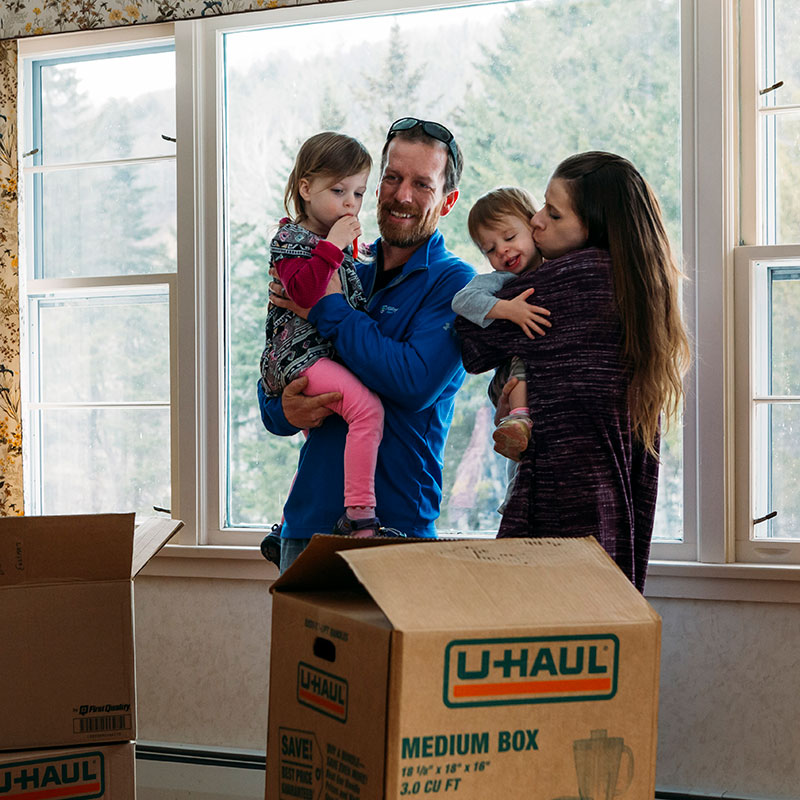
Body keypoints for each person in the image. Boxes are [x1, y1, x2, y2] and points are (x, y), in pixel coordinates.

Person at [455, 152, 690, 592]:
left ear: (595, 225)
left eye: (553, 212)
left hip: (564, 493)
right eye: (542, 206)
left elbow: (470, 342)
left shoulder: (576, 277)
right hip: (616, 487)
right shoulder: (640, 280)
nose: (537, 221)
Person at [259, 118, 475, 572]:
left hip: (395, 533)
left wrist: (326, 308)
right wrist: (285, 411)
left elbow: (412, 382)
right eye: (392, 179)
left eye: (422, 184)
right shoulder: (341, 263)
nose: (402, 195)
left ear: (448, 201)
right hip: (307, 527)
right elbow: (281, 364)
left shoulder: (455, 285)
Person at [260, 131, 392, 540]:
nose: (350, 202)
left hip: (315, 354)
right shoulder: (292, 240)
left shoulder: (331, 242)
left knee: (325, 433)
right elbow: (304, 293)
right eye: (338, 190)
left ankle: (311, 514)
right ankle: (360, 512)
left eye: (358, 192)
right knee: (367, 411)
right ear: (305, 188)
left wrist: (347, 248)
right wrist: (334, 246)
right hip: (300, 356)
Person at [451, 187, 550, 464]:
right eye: (490, 249)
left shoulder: (556, 265)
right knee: (523, 358)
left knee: (525, 457)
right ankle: (518, 418)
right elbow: (462, 300)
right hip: (509, 382)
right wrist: (508, 309)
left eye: (509, 237)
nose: (503, 251)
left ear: (533, 225)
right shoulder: (502, 280)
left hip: (547, 391)